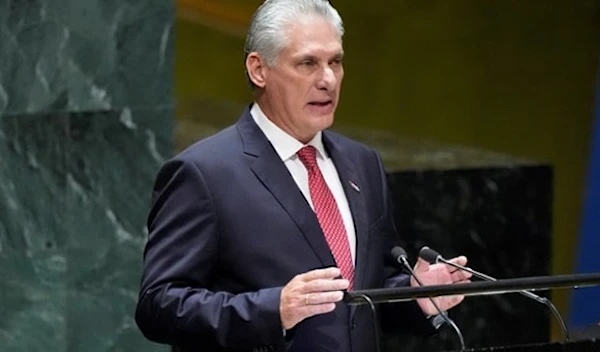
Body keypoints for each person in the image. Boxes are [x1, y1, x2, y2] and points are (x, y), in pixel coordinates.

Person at [135, 0, 472, 351]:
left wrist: (418, 296)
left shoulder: (363, 163)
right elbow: (159, 304)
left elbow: (367, 293)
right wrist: (272, 311)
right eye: (307, 63)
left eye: (335, 62)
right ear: (258, 70)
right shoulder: (203, 173)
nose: (327, 79)